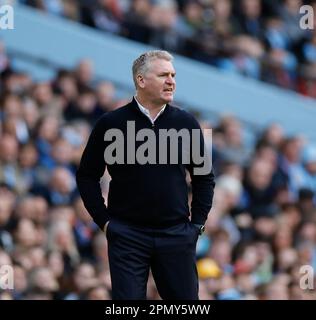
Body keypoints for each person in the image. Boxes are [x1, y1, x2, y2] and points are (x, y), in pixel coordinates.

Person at [76, 50, 215, 299]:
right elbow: (87, 176)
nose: (171, 80)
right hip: (127, 235)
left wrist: (197, 225)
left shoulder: (187, 123)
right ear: (141, 80)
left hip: (176, 234)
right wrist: (104, 222)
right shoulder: (111, 123)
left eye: (173, 75)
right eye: (163, 75)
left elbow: (204, 177)